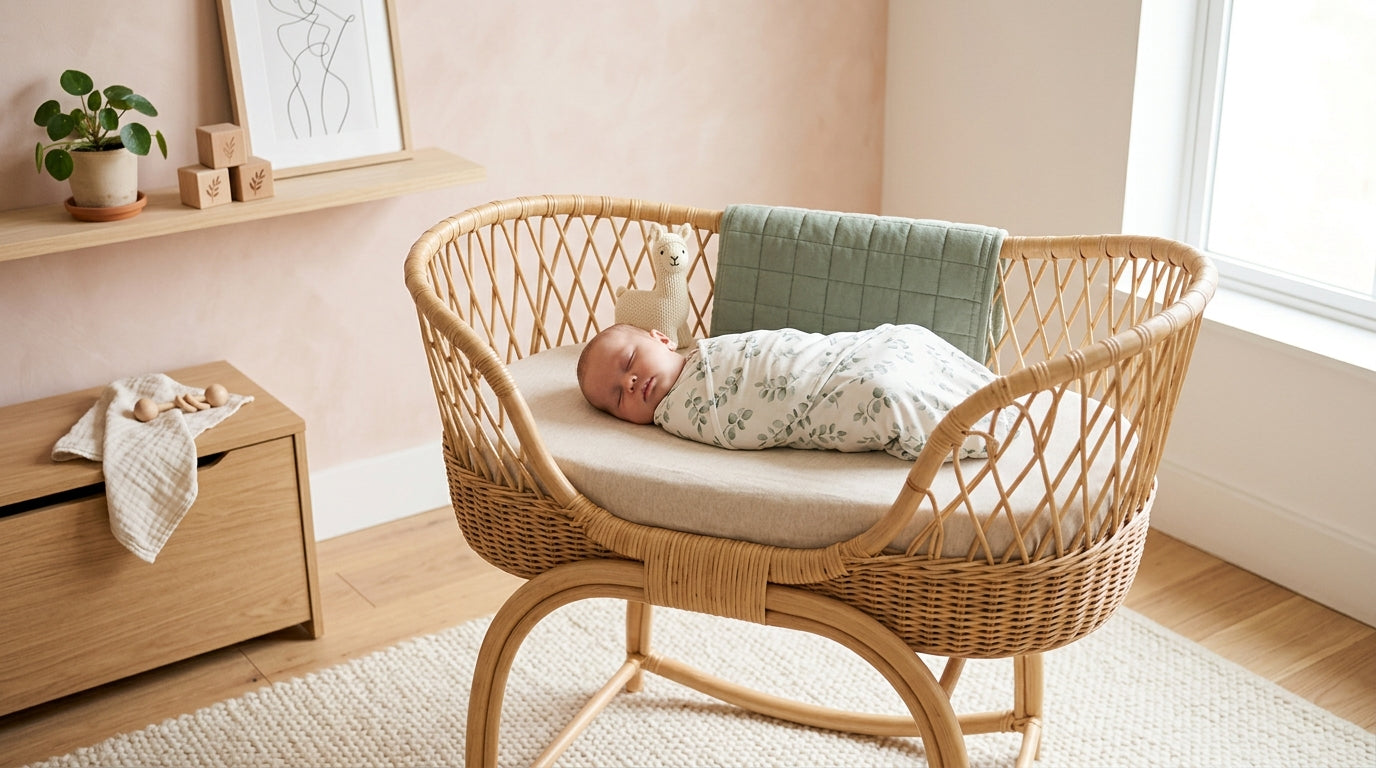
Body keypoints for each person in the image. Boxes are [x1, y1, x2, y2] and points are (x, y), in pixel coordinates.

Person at [576, 323, 1012, 461]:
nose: (630, 383)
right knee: (878, 392)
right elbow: (749, 419)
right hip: (825, 392)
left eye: (629, 363)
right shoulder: (681, 415)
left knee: (903, 338)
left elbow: (780, 348)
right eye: (618, 397)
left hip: (831, 355)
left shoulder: (707, 350)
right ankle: (975, 424)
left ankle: (985, 390)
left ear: (661, 338)